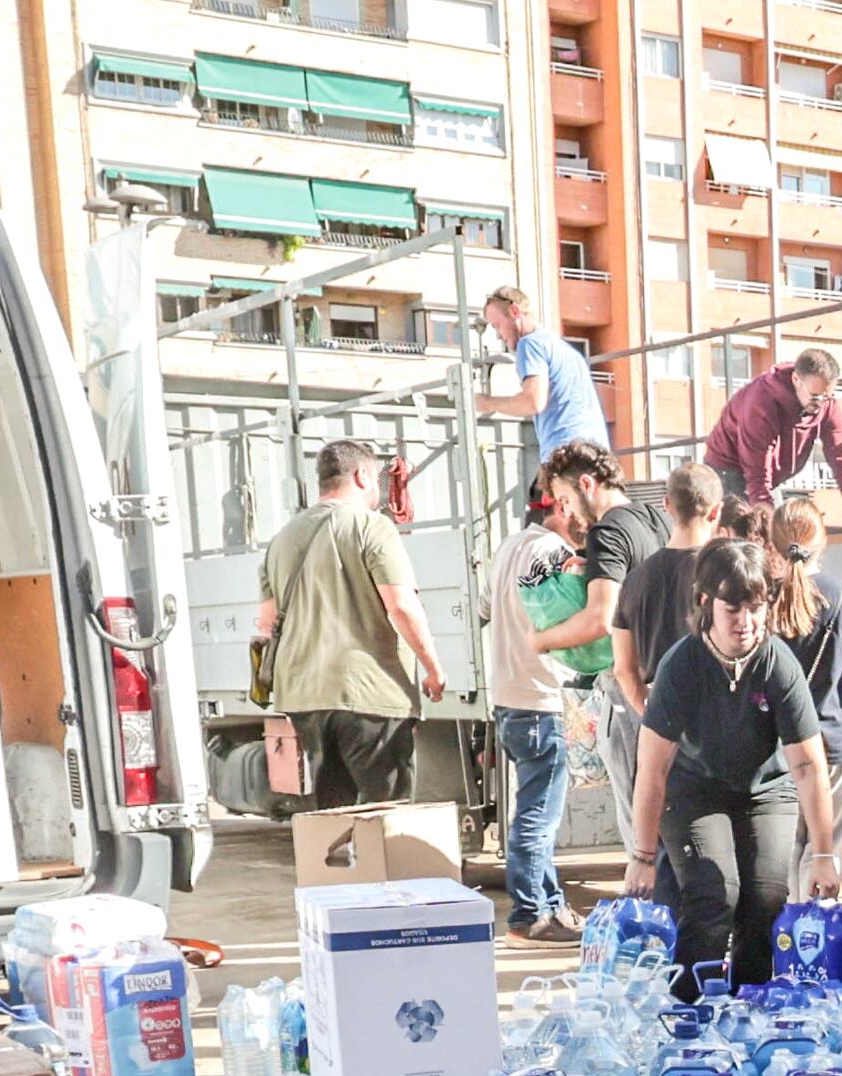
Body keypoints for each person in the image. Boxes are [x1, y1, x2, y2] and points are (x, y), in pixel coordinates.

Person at [621, 537, 841, 996]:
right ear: (706, 602)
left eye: (756, 608)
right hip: (695, 790)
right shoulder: (682, 665)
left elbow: (808, 766)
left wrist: (822, 854)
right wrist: (642, 857)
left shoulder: (777, 663)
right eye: (733, 609)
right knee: (713, 898)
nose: (746, 622)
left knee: (766, 901)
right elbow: (652, 769)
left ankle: (751, 1009)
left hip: (767, 791)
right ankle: (688, 1014)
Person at [250, 439, 447, 808]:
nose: (378, 491)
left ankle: (338, 865)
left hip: (305, 695)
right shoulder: (372, 527)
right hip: (369, 692)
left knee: (334, 810)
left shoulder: (281, 540)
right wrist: (434, 669)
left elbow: (266, 621)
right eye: (376, 481)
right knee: (386, 812)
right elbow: (401, 606)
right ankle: (383, 869)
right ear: (361, 476)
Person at [481, 448, 603, 942]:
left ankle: (551, 906)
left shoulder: (509, 546)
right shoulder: (552, 556)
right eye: (570, 507)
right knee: (538, 816)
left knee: (536, 812)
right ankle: (529, 916)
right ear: (555, 505)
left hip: (509, 698)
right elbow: (575, 626)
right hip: (539, 699)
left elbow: (489, 607)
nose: (578, 519)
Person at [586, 465, 717, 824]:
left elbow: (624, 670)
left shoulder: (635, 579)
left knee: (654, 841)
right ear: (716, 511)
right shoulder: (723, 571)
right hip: (716, 727)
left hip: (659, 724)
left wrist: (655, 714)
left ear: (666, 506)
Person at [705, 346, 842, 507]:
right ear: (796, 379)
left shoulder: (827, 404)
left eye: (827, 396)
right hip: (728, 469)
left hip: (769, 478)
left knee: (775, 526)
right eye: (815, 396)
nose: (821, 404)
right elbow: (758, 480)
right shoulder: (761, 404)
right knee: (751, 528)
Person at [471, 286, 606, 464]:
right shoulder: (564, 349)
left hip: (567, 455)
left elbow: (533, 401)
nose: (498, 336)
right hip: (597, 455)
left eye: (497, 326)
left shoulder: (530, 344)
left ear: (514, 311)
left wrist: (488, 403)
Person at [761, 498, 842, 732]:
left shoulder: (762, 599)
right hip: (834, 732)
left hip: (778, 738)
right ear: (823, 541)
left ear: (773, 545)